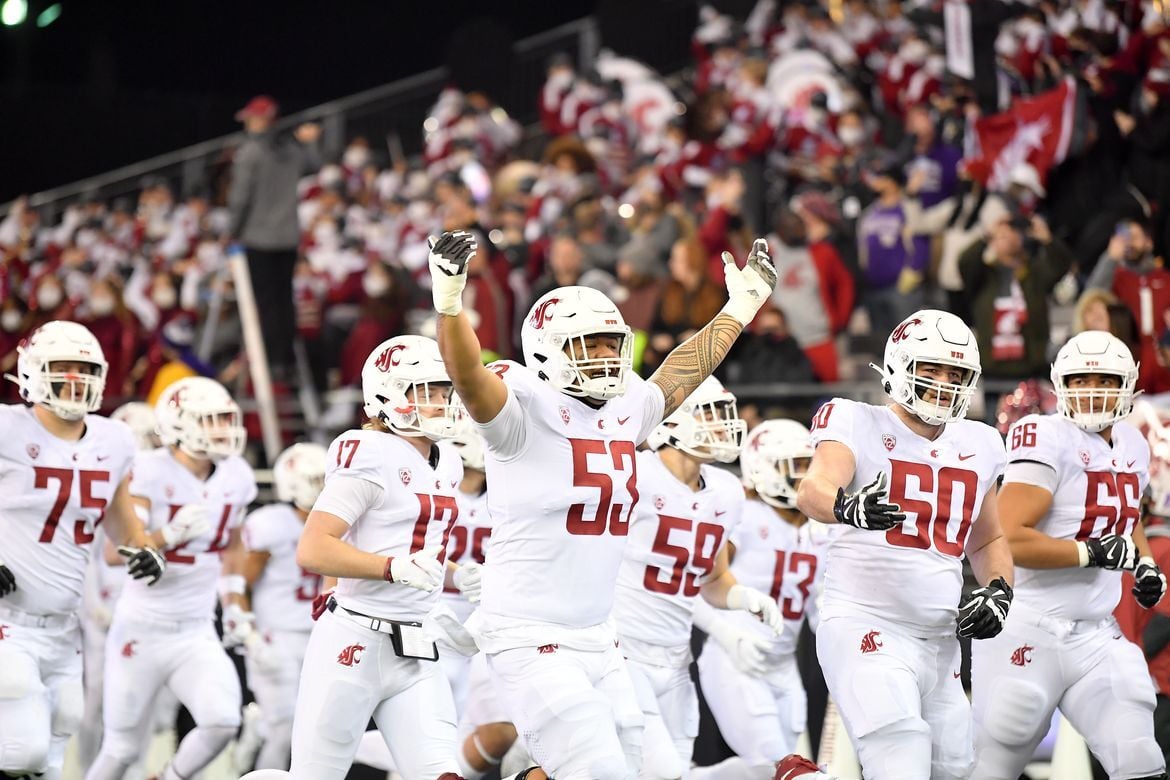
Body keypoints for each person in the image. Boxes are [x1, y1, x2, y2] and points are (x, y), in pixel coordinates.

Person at [426, 228, 777, 780]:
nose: (608, 356)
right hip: (529, 630)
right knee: (598, 768)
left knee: (627, 770)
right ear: (547, 349)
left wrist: (740, 308)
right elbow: (467, 375)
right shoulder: (520, 411)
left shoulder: (627, 404)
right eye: (590, 344)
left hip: (600, 633)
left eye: (612, 343)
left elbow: (685, 369)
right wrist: (449, 303)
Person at [795, 309, 1015, 780]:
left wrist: (1000, 590)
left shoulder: (981, 442)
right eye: (929, 369)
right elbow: (811, 489)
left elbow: (989, 536)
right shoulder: (855, 418)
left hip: (940, 639)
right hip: (863, 622)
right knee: (901, 757)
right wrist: (849, 506)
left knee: (952, 770)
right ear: (898, 365)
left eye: (954, 373)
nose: (942, 383)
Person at [971, 331, 1168, 780]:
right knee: (990, 766)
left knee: (1142, 759)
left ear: (1128, 385)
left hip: (1097, 635)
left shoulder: (1133, 444)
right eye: (1081, 379)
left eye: (1104, 379)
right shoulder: (1044, 436)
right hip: (1029, 629)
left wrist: (1144, 562)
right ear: (1062, 384)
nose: (1091, 390)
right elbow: (1007, 538)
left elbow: (1123, 512)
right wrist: (1090, 553)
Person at [291, 335, 478, 778]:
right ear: (389, 395)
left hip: (416, 646)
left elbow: (414, 554)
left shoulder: (448, 460)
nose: (441, 402)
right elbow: (314, 547)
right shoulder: (370, 451)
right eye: (426, 391)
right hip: (354, 639)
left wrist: (458, 575)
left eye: (443, 390)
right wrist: (390, 569)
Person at [0, 321, 166, 778]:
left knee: (55, 749)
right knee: (22, 752)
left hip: (63, 626)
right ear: (33, 372)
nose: (75, 378)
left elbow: (122, 520)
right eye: (62, 367)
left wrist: (145, 548)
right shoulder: (7, 427)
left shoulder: (113, 440)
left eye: (84, 368)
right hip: (7, 621)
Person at [85, 376, 258, 780]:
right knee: (122, 748)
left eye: (225, 419)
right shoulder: (147, 470)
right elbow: (115, 552)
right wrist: (168, 535)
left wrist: (233, 604)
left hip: (196, 630)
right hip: (142, 629)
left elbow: (234, 547)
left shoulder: (237, 475)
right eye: (211, 420)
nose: (223, 429)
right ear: (179, 424)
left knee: (222, 721)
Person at [612, 376, 782, 780]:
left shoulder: (726, 491)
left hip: (675, 658)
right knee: (661, 772)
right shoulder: (631, 474)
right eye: (712, 414)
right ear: (671, 421)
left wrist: (743, 598)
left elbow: (713, 578)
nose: (725, 425)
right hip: (621, 652)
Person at [692, 418, 828, 780]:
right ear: (763, 468)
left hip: (784, 668)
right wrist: (726, 634)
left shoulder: (821, 528)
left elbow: (820, 611)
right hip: (735, 663)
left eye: (808, 465)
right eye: (794, 466)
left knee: (768, 771)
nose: (804, 476)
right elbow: (692, 583)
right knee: (785, 768)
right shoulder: (744, 515)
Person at [77, 402, 166, 772]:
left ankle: (134, 771)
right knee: (94, 696)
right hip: (105, 605)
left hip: (143, 603)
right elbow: (84, 552)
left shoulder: (159, 485)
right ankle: (84, 770)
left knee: (144, 699)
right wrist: (92, 606)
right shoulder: (99, 482)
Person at [236, 442, 328, 770]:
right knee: (285, 727)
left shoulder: (339, 522)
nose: (324, 488)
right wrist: (250, 635)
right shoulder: (270, 523)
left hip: (320, 635)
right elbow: (239, 584)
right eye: (317, 480)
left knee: (319, 728)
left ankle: (256, 728)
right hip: (278, 635)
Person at [227, 95, 323, 379]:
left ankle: (271, 362)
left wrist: (232, 231)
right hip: (287, 238)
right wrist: (309, 141)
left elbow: (240, 198)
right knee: (283, 301)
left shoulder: (250, 153)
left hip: (258, 239)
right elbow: (315, 165)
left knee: (266, 303)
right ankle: (285, 358)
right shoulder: (291, 150)